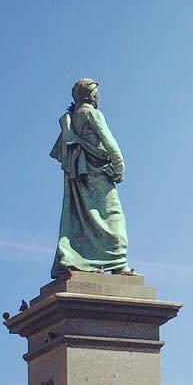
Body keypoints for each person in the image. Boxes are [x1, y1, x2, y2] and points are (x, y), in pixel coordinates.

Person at [50, 78, 130, 277]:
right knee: (113, 217)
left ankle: (82, 260)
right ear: (92, 94)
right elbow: (108, 141)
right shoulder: (90, 113)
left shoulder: (71, 118)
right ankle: (119, 262)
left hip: (80, 176)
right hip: (98, 173)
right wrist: (119, 166)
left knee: (82, 219)